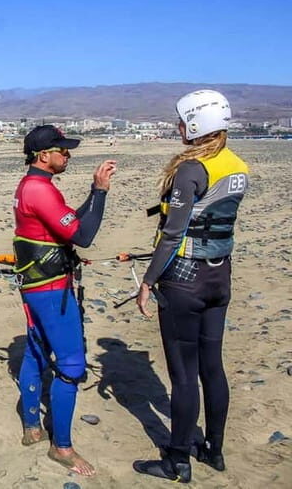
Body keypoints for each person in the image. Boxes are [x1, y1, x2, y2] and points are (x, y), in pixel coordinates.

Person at [133, 90, 249, 483]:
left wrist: (148, 281)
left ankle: (177, 459)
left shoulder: (191, 169)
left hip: (185, 281)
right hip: (220, 277)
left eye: (182, 121)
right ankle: (214, 449)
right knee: (212, 367)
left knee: (184, 375)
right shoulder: (236, 165)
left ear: (197, 124)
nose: (178, 127)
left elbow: (173, 233)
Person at [14, 125, 116, 477]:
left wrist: (93, 190)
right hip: (51, 291)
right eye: (62, 150)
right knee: (71, 366)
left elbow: (69, 222)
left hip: (37, 287)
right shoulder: (39, 191)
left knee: (36, 351)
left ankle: (32, 426)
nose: (67, 154)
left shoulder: (36, 187)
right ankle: (61, 448)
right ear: (44, 155)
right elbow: (84, 235)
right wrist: (101, 195)